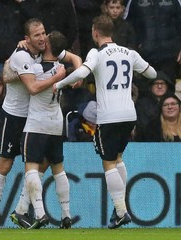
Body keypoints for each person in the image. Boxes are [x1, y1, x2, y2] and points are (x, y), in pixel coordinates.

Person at [54, 15, 157, 229]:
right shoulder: (130, 53)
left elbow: (83, 71)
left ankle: (121, 211)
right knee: (118, 158)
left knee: (108, 161)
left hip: (109, 116)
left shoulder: (96, 53)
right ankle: (120, 209)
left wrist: (61, 83)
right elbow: (152, 73)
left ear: (95, 32)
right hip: (129, 114)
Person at [0, 18, 82, 229]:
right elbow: (30, 86)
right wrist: (59, 78)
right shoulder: (21, 54)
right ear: (26, 38)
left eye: (43, 33)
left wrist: (78, 74)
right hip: (15, 115)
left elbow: (74, 56)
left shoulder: (46, 52)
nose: (42, 38)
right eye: (37, 35)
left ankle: (21, 209)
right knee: (6, 163)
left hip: (36, 117)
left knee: (42, 162)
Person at [19, 31, 73, 229]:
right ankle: (66, 215)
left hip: (37, 123)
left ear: (48, 45)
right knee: (58, 169)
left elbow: (31, 87)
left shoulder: (36, 68)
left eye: (45, 38)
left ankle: (40, 214)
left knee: (31, 168)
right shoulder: (61, 68)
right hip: (56, 123)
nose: (42, 40)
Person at [124, 0, 181, 89]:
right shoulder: (135, 2)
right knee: (145, 91)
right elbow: (130, 28)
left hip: (169, 55)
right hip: (144, 55)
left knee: (168, 89)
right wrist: (134, 50)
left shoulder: (175, 2)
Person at [134, 71, 174, 141]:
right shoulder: (142, 104)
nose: (159, 86)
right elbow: (141, 126)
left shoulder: (174, 102)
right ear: (150, 87)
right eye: (156, 84)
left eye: (162, 83)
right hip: (148, 140)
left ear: (167, 86)